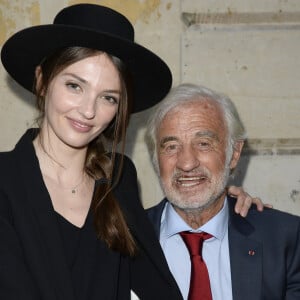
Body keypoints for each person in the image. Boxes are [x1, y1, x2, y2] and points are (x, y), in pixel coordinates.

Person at [0, 4, 264, 300]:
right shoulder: (6, 182)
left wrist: (219, 206)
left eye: (108, 97)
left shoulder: (118, 177)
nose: (88, 110)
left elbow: (154, 279)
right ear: (42, 81)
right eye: (75, 86)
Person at [146, 83, 300, 300]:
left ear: (234, 153)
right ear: (156, 158)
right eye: (171, 146)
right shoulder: (124, 241)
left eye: (203, 144)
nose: (187, 163)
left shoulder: (285, 240)